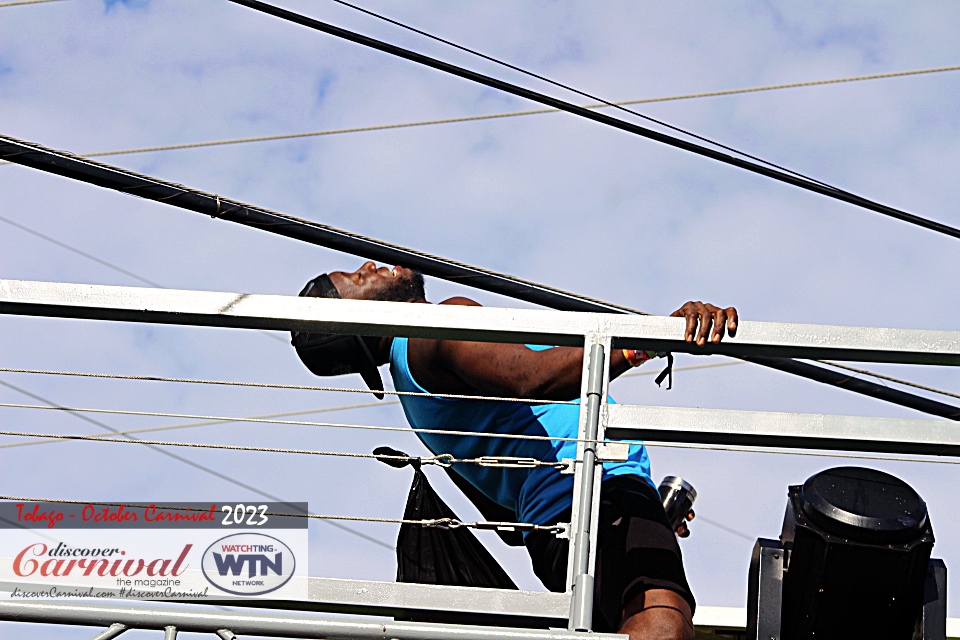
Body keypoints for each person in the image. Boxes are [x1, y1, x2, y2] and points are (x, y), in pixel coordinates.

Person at [291, 261, 738, 640]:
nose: (368, 265)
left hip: (554, 527)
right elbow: (533, 376)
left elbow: (504, 520)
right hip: (593, 486)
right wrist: (649, 338)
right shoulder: (436, 330)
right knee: (662, 624)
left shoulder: (417, 402)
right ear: (360, 323)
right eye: (356, 278)